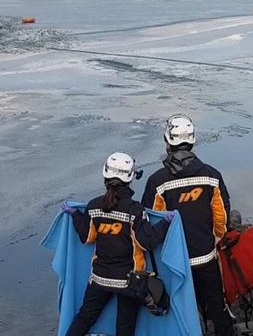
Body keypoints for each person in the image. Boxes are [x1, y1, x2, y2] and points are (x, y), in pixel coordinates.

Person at [142, 115, 234, 336]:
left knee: (179, 308)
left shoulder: (158, 182)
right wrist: (216, 239)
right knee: (216, 304)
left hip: (174, 261)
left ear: (167, 143)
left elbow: (151, 223)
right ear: (193, 141)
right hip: (204, 255)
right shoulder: (211, 176)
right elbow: (221, 216)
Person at [64, 153, 173, 336]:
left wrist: (75, 215)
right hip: (130, 282)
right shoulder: (134, 209)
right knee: (125, 328)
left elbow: (86, 237)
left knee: (84, 319)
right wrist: (166, 222)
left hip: (100, 278)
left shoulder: (94, 206)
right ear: (130, 179)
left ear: (105, 177)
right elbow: (146, 243)